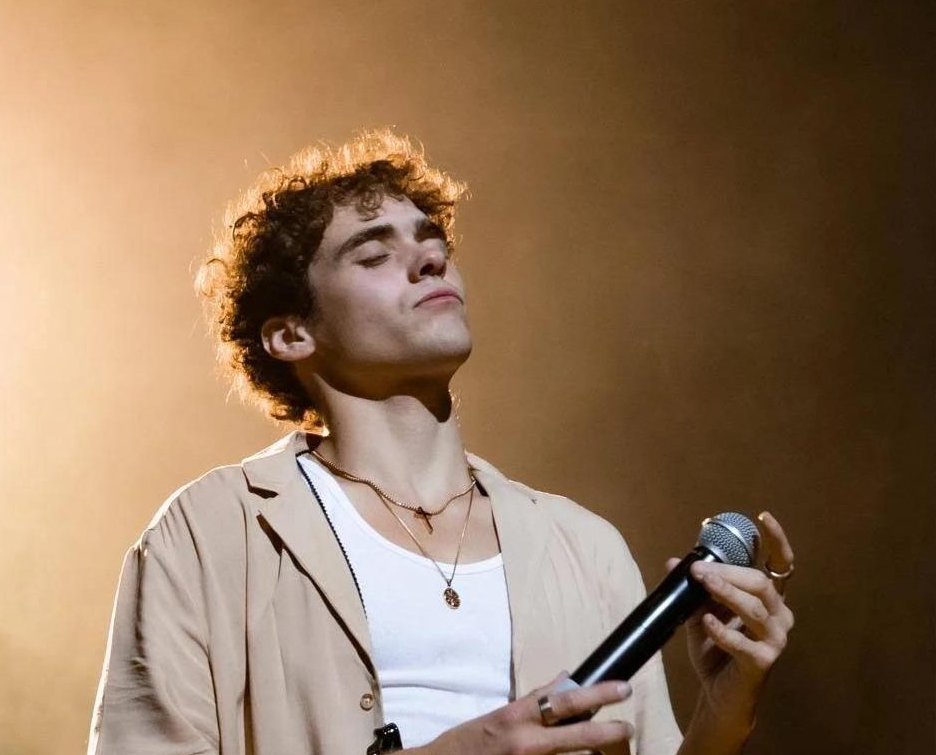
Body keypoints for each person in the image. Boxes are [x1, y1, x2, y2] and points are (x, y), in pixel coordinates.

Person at [86, 129, 795, 755]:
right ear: (291, 334)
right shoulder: (211, 531)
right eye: (374, 255)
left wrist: (722, 715)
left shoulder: (584, 547)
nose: (429, 262)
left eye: (434, 245)